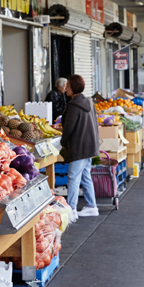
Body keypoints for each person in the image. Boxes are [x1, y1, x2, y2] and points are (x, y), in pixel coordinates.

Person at [59, 75, 99, 218]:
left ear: (74, 88)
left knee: (73, 177)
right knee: (85, 175)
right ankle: (91, 206)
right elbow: (95, 124)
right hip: (89, 146)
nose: (66, 88)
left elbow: (69, 128)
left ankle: (72, 210)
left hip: (79, 146)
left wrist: (63, 143)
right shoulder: (88, 102)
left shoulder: (73, 106)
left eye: (68, 86)